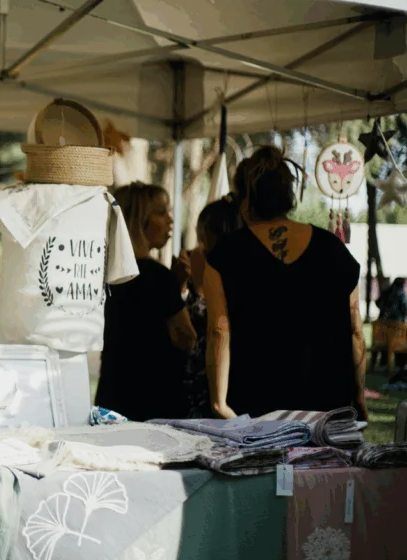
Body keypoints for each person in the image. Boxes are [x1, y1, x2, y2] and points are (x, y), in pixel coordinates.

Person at [204, 146, 368, 420]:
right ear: (288, 196)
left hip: (254, 410)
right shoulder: (334, 250)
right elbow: (356, 331)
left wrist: (219, 403)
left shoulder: (225, 255)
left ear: (246, 201)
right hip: (326, 410)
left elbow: (218, 331)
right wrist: (360, 397)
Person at [96, 182, 196, 421]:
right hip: (157, 402)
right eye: (161, 212)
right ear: (138, 220)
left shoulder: (103, 273)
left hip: (113, 398)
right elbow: (185, 337)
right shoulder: (157, 276)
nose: (170, 220)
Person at [182, 198, 242, 418]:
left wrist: (197, 287)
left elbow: (212, 328)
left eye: (204, 233)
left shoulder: (215, 265)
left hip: (212, 384)